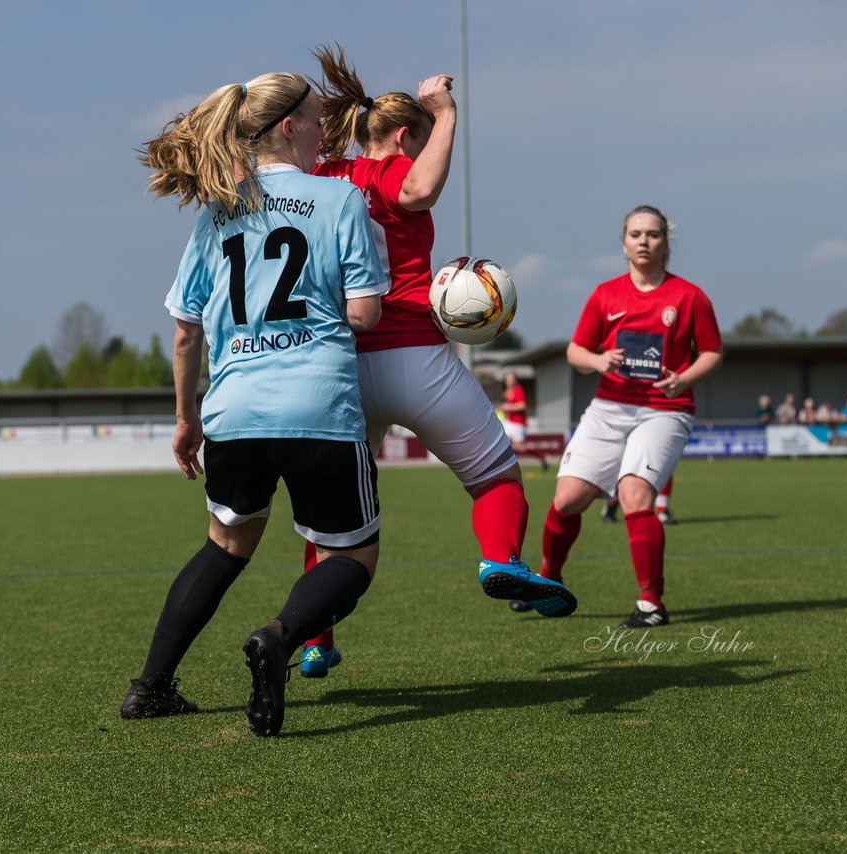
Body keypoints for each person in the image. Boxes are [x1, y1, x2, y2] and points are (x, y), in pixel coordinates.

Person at [119, 71, 391, 737]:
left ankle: (150, 687)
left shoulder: (219, 209)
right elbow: (363, 315)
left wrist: (186, 420)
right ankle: (279, 636)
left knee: (226, 545)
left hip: (234, 410)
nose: (326, 125)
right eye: (319, 114)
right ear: (289, 126)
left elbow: (187, 331)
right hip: (317, 405)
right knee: (354, 559)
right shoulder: (340, 200)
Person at [298, 46, 575, 675]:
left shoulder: (320, 178)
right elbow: (418, 189)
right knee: (497, 478)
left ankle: (315, 636)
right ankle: (501, 559)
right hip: (411, 357)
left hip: (337, 365)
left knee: (332, 520)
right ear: (401, 137)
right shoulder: (390, 170)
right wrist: (446, 113)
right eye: (419, 141)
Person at [518, 205, 722, 626]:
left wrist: (682, 379)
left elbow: (713, 353)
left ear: (666, 242)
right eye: (635, 234)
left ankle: (651, 603)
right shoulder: (604, 294)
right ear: (623, 243)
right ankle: (549, 579)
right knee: (567, 499)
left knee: (633, 496)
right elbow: (575, 352)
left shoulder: (690, 297)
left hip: (664, 411)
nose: (643, 241)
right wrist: (598, 360)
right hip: (609, 407)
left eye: (652, 234)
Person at [500, 371, 530, 456]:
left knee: (519, 447)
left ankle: (541, 457)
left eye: (512, 379)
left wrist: (508, 407)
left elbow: (522, 405)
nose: (510, 381)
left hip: (518, 422)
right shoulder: (507, 392)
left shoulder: (518, 389)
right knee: (502, 442)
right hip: (509, 422)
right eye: (508, 380)